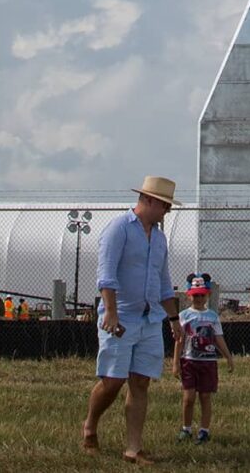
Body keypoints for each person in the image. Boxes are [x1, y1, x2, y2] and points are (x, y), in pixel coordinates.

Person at [81, 175, 174, 463]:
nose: (167, 212)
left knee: (141, 382)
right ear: (148, 201)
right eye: (164, 205)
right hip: (120, 317)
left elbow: (164, 283)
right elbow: (106, 274)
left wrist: (173, 320)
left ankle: (133, 448)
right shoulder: (118, 229)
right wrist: (110, 310)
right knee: (112, 380)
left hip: (149, 320)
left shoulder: (159, 238)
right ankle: (90, 426)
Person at [174, 272, 227, 443]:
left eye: (202, 295)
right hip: (189, 362)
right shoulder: (184, 316)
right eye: (195, 295)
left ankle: (204, 431)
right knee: (188, 398)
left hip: (208, 363)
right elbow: (179, 341)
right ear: (189, 296)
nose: (198, 298)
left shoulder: (212, 316)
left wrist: (228, 357)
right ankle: (186, 428)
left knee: (205, 396)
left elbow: (219, 338)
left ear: (207, 295)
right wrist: (176, 362)